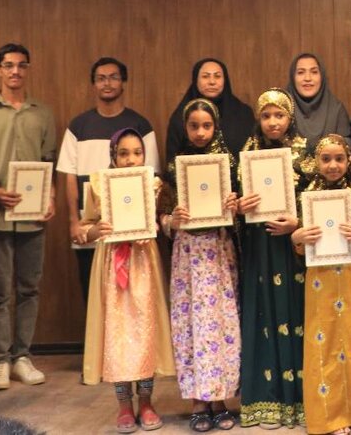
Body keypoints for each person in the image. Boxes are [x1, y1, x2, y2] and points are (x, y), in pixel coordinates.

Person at [0, 43, 58, 392]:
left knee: (29, 289)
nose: (15, 71)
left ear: (27, 69)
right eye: (8, 65)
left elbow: (49, 163)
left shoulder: (42, 114)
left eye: (21, 65)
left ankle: (22, 357)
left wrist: (51, 197)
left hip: (33, 217)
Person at [78, 128, 175, 434]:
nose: (131, 160)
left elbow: (163, 220)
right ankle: (123, 404)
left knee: (145, 331)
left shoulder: (154, 185)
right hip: (112, 266)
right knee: (118, 334)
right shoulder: (99, 185)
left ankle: (146, 401)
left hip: (144, 263)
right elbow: (84, 227)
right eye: (123, 153)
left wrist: (160, 224)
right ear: (113, 156)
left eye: (137, 153)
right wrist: (97, 231)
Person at [293, 134, 351, 435]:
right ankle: (331, 418)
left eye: (339, 159)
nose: (333, 165)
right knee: (325, 341)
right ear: (316, 162)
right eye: (326, 159)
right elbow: (299, 245)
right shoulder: (307, 195)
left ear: (349, 161)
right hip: (320, 280)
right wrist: (297, 238)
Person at [161, 99, 242, 432]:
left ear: (216, 127)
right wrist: (172, 219)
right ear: (185, 127)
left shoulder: (228, 165)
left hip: (219, 253)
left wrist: (235, 206)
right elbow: (161, 216)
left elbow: (242, 214)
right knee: (191, 324)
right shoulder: (174, 169)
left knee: (220, 323)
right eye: (193, 126)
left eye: (206, 126)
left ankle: (221, 400)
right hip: (188, 257)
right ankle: (198, 401)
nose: (200, 132)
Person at [235, 89, 308, 428]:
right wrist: (239, 206)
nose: (273, 122)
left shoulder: (305, 154)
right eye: (266, 116)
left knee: (295, 314)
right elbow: (233, 204)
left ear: (290, 118)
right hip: (260, 249)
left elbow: (318, 198)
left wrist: (298, 223)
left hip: (291, 249)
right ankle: (267, 401)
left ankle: (301, 400)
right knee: (264, 314)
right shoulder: (247, 154)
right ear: (258, 119)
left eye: (279, 115)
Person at [59, 57, 158, 304]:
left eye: (113, 77)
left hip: (132, 231)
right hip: (91, 227)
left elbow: (151, 177)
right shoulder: (78, 126)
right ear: (93, 84)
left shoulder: (140, 125)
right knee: (93, 297)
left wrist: (147, 222)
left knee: (132, 301)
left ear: (124, 82)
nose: (107, 83)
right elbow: (69, 175)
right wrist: (74, 222)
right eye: (101, 78)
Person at [165, 59, 255, 180]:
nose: (212, 82)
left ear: (225, 80)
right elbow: (172, 164)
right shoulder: (180, 117)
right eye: (205, 76)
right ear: (195, 80)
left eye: (217, 76)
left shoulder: (243, 114)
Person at [288, 53, 351, 150]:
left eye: (314, 72)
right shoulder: (282, 109)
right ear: (293, 78)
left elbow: (346, 146)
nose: (307, 78)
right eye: (301, 72)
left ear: (322, 76)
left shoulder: (336, 109)